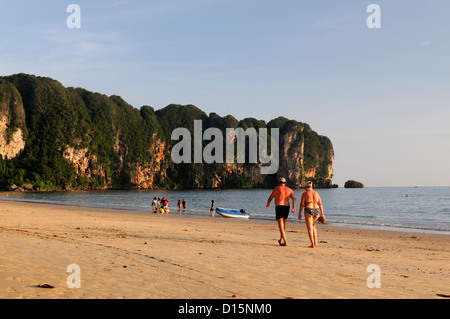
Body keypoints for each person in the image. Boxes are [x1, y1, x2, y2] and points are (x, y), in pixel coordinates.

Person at [266, 177, 296, 246]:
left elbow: (270, 197)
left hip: (279, 206)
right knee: (284, 223)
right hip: (287, 207)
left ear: (279, 183)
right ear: (285, 183)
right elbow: (294, 199)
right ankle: (281, 239)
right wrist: (293, 208)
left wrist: (268, 204)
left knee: (280, 225)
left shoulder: (277, 188)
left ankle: (285, 241)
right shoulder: (290, 190)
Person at [299, 181, 325, 248]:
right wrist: (322, 213)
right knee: (314, 227)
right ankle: (315, 243)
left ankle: (312, 244)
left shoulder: (304, 194)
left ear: (306, 187)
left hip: (308, 209)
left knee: (309, 228)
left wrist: (299, 213)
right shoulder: (316, 193)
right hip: (316, 210)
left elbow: (301, 204)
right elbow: (320, 204)